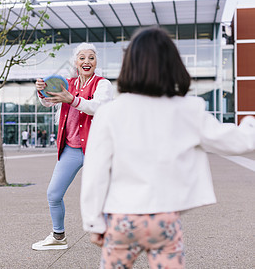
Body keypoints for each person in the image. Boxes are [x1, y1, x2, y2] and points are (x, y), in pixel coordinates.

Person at [80, 27, 255, 269]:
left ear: (129, 66)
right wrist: (250, 125)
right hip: (164, 217)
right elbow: (233, 141)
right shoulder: (187, 109)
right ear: (173, 65)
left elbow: (95, 172)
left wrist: (93, 222)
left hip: (122, 217)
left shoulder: (109, 112)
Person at [32, 43, 114, 250]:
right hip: (71, 148)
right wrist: (42, 90)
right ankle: (58, 237)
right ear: (75, 62)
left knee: (107, 195)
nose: (87, 61)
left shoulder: (103, 84)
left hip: (97, 148)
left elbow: (98, 107)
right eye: (82, 58)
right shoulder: (67, 83)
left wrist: (73, 100)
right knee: (54, 194)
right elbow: (49, 101)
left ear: (96, 62)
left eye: (91, 57)